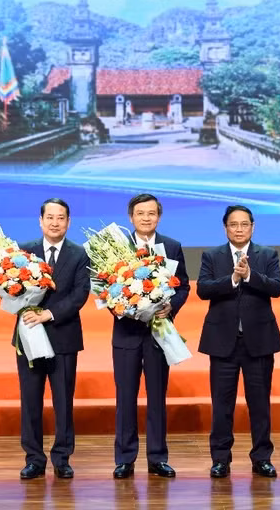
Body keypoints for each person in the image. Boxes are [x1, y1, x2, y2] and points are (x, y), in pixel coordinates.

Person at [197, 205, 280, 479]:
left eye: (244, 224)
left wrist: (249, 276)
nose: (238, 229)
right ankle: (220, 459)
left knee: (259, 404)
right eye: (233, 224)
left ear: (252, 227)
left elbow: (277, 287)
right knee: (222, 404)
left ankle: (262, 458)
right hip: (223, 341)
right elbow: (203, 289)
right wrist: (233, 279)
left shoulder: (267, 254)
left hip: (258, 342)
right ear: (225, 228)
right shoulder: (212, 255)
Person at [112, 193, 190, 479]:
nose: (146, 218)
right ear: (131, 217)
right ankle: (125, 458)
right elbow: (106, 289)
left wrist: (171, 306)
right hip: (127, 333)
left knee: (157, 396)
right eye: (140, 213)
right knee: (126, 397)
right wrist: (125, 307)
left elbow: (183, 288)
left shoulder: (171, 246)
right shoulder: (116, 248)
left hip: (159, 333)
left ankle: (157, 457)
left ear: (159, 216)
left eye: (152, 213)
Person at [15, 198, 91, 480]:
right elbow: (13, 288)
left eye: (61, 218)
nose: (55, 222)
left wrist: (49, 313)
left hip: (64, 335)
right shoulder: (24, 251)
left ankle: (62, 457)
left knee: (63, 400)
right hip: (29, 335)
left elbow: (80, 294)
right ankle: (34, 459)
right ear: (40, 220)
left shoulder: (79, 253)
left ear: (68, 222)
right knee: (31, 400)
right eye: (50, 217)